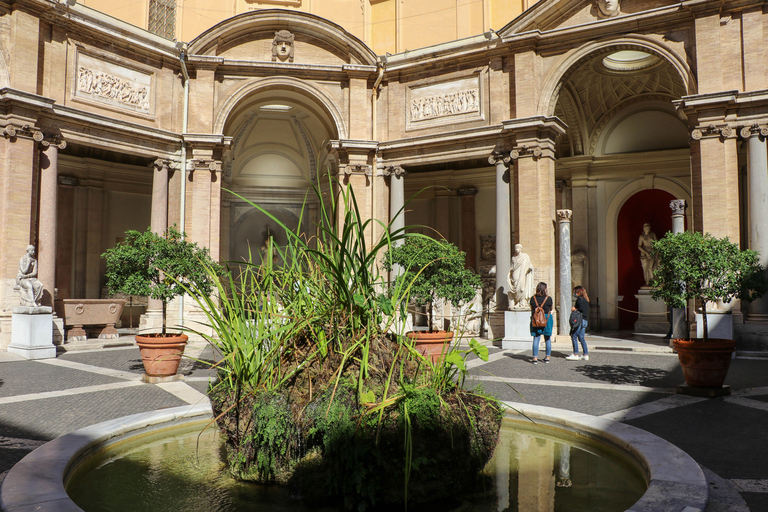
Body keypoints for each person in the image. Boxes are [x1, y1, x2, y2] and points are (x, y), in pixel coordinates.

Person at [530, 282, 553, 364]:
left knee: (536, 338)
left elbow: (532, 308)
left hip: (536, 319)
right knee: (547, 338)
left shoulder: (533, 298)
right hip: (546, 318)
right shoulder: (549, 298)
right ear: (544, 289)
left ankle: (535, 358)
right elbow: (551, 308)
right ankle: (547, 357)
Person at [567, 286, 590, 361]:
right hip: (585, 320)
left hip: (580, 320)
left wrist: (575, 308)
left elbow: (580, 309)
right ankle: (585, 354)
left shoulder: (579, 299)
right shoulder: (586, 299)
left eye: (575, 292)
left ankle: (575, 354)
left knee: (574, 336)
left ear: (578, 292)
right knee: (581, 338)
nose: (574, 294)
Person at [508, 244, 534, 308]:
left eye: (518, 247)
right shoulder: (513, 258)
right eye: (516, 247)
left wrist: (530, 268)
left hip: (522, 274)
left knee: (522, 288)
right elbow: (512, 267)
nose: (517, 249)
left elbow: (529, 265)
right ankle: (517, 302)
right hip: (515, 275)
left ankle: (522, 303)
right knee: (515, 288)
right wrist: (509, 275)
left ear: (521, 249)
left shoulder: (525, 257)